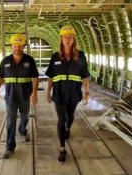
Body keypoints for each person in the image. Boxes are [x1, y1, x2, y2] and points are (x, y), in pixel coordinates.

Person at [45, 26, 90, 162]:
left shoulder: (81, 56)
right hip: (59, 94)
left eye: (70, 36)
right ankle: (62, 148)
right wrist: (48, 91)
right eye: (65, 37)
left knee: (69, 117)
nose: (67, 39)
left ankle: (68, 128)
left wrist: (86, 92)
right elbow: (51, 76)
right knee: (61, 119)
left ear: (74, 39)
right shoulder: (55, 56)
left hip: (74, 93)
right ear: (61, 39)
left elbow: (85, 76)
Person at [0, 33, 39, 159]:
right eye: (15, 46)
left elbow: (35, 77)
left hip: (25, 96)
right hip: (11, 97)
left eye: (19, 46)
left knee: (25, 117)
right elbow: (0, 77)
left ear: (23, 46)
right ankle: (10, 147)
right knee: (10, 122)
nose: (17, 48)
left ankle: (23, 130)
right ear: (11, 46)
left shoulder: (29, 61)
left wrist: (34, 93)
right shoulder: (5, 61)